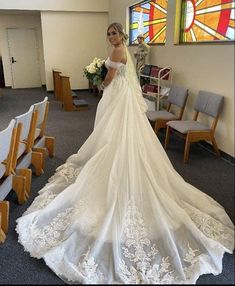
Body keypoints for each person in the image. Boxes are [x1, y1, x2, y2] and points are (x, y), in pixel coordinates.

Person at [16, 22, 234, 284]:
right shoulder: (121, 50)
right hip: (122, 97)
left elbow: (109, 80)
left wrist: (99, 78)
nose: (112, 37)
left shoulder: (118, 52)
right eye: (108, 33)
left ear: (122, 35)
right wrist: (102, 73)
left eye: (115, 33)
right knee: (114, 135)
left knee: (115, 135)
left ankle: (116, 163)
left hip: (117, 97)